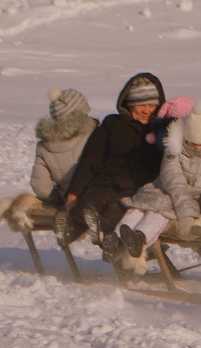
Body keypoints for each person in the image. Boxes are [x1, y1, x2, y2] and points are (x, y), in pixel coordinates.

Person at [115, 100, 201, 280]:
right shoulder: (174, 154)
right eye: (192, 144)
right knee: (138, 210)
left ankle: (139, 238)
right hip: (161, 194)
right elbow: (175, 184)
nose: (197, 149)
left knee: (156, 215)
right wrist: (186, 215)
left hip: (174, 204)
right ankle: (116, 241)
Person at [63, 72, 166, 260]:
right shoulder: (112, 125)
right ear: (129, 103)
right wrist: (74, 193)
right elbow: (90, 161)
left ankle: (117, 248)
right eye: (141, 104)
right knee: (89, 207)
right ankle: (69, 230)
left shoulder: (161, 130)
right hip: (106, 183)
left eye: (152, 105)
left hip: (140, 190)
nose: (147, 110)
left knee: (117, 211)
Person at [30, 88, 98, 241]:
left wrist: (60, 198)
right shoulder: (95, 135)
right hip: (95, 197)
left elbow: (40, 186)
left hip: (67, 199)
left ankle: (65, 212)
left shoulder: (44, 145)